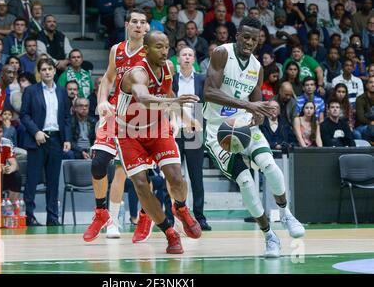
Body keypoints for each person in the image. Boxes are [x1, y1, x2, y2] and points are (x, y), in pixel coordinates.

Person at [203, 17, 305, 258]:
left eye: (254, 38)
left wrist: (259, 115)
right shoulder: (221, 53)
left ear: (259, 40)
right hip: (218, 131)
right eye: (245, 37)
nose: (249, 42)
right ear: (237, 35)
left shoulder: (257, 68)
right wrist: (248, 104)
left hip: (244, 125)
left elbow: (256, 106)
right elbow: (208, 92)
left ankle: (286, 213)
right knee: (247, 182)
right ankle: (269, 235)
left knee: (270, 165)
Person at [115, 30, 202, 254]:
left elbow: (168, 93)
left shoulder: (169, 68)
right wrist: (174, 100)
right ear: (145, 49)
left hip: (157, 128)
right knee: (142, 185)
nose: (164, 52)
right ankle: (169, 233)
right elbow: (143, 99)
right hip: (129, 134)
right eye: (158, 47)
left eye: (166, 46)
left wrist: (187, 118)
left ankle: (180, 208)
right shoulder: (137, 74)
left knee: (176, 177)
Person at [84, 9, 147, 241]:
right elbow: (109, 78)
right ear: (127, 25)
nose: (138, 25)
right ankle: (101, 213)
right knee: (98, 162)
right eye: (135, 22)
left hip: (138, 117)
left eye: (142, 22)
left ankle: (116, 221)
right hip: (114, 111)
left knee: (124, 172)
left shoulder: (151, 53)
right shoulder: (116, 50)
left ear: (146, 28)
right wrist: (101, 101)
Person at [20, 58, 72, 226]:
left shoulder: (62, 92)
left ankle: (52, 217)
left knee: (53, 181)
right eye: (44, 69)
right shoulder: (30, 91)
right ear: (39, 72)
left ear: (55, 71)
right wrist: (36, 132)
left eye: (50, 69)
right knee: (32, 180)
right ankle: (29, 216)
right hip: (38, 140)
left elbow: (66, 117)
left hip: (56, 139)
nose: (47, 72)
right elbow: (24, 115)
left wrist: (67, 139)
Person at [172, 46, 210, 231]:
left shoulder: (202, 79)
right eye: (183, 55)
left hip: (194, 130)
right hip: (174, 130)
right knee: (173, 176)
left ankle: (200, 217)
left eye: (190, 55)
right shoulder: (172, 80)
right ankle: (173, 217)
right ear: (178, 59)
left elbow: (207, 104)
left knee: (196, 176)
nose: (187, 57)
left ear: (194, 59)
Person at [0, 121, 21, 203]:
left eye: (0, 132)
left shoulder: (6, 142)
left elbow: (15, 165)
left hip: (2, 174)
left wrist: (10, 169)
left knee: (16, 176)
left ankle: (11, 207)